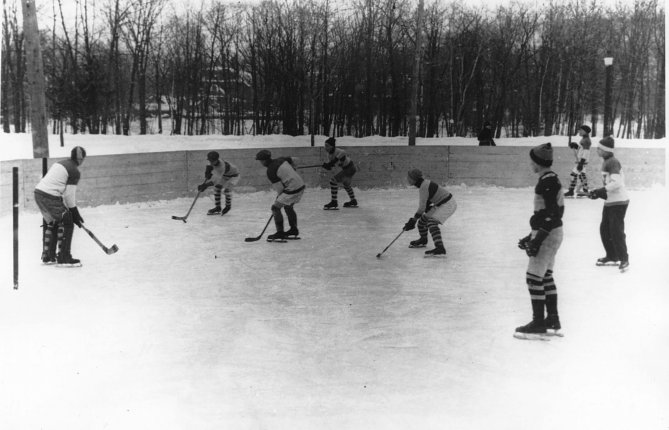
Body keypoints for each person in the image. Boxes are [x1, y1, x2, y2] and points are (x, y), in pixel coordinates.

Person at [515, 142, 564, 339]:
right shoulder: (550, 179)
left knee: (533, 277)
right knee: (545, 276)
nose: (530, 163)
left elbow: (552, 214)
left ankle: (538, 323)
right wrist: (531, 236)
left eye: (531, 160)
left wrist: (537, 239)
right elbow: (547, 213)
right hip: (552, 233)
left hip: (549, 234)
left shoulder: (547, 181)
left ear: (538, 162)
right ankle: (552, 320)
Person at [34, 146, 87, 267]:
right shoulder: (74, 171)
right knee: (67, 221)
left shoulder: (61, 163)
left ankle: (49, 255)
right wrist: (74, 214)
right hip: (49, 196)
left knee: (53, 222)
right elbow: (69, 195)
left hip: (38, 194)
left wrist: (73, 213)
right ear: (81, 159)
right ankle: (64, 257)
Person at [588, 136, 630, 272]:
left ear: (606, 150)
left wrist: (601, 190)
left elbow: (617, 183)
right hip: (611, 202)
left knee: (616, 231)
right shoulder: (607, 161)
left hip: (619, 202)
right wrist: (598, 194)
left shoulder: (612, 162)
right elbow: (609, 185)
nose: (597, 150)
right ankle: (612, 256)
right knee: (605, 230)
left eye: (599, 148)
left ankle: (624, 259)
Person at [403, 169, 457, 257]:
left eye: (409, 177)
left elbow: (422, 208)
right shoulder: (424, 184)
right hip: (440, 203)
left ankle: (440, 248)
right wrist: (418, 218)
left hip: (447, 204)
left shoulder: (423, 187)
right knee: (422, 221)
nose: (407, 179)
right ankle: (423, 240)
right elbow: (427, 202)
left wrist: (413, 220)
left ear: (414, 179)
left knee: (431, 222)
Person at [255, 150, 305, 241]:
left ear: (264, 160)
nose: (260, 163)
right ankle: (293, 230)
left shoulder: (270, 171)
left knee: (275, 208)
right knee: (288, 207)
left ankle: (280, 233)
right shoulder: (281, 159)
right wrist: (293, 168)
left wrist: (279, 197)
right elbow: (296, 160)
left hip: (292, 188)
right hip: (300, 185)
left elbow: (280, 189)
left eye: (260, 161)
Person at [198, 151, 240, 215]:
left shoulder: (221, 167)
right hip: (225, 176)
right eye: (210, 161)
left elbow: (216, 180)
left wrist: (206, 185)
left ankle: (228, 206)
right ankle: (218, 207)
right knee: (217, 188)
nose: (211, 162)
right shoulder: (211, 162)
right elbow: (209, 168)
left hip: (234, 176)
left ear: (216, 160)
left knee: (227, 190)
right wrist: (207, 173)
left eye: (212, 161)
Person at [322, 137, 358, 209]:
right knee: (346, 185)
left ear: (332, 146)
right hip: (349, 169)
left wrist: (334, 160)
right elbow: (332, 165)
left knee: (333, 181)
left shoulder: (338, 151)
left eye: (327, 146)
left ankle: (334, 202)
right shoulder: (329, 155)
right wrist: (327, 166)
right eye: (325, 145)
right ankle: (353, 200)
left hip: (350, 168)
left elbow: (343, 152)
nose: (325, 147)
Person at [564, 125, 592, 197]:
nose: (579, 131)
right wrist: (576, 146)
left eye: (581, 130)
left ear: (585, 131)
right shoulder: (584, 139)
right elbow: (581, 149)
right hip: (580, 161)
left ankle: (573, 191)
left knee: (576, 175)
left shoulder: (586, 140)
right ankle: (582, 191)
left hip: (581, 162)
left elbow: (586, 152)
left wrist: (581, 163)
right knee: (580, 176)